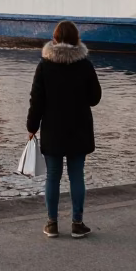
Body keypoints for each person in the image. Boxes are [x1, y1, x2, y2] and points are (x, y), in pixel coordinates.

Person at [27, 20, 102, 239]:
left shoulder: (45, 65)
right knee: (77, 176)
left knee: (53, 176)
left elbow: (36, 100)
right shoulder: (85, 64)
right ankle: (77, 224)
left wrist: (32, 126)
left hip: (53, 129)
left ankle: (52, 224)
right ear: (76, 39)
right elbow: (95, 98)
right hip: (79, 128)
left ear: (55, 39)